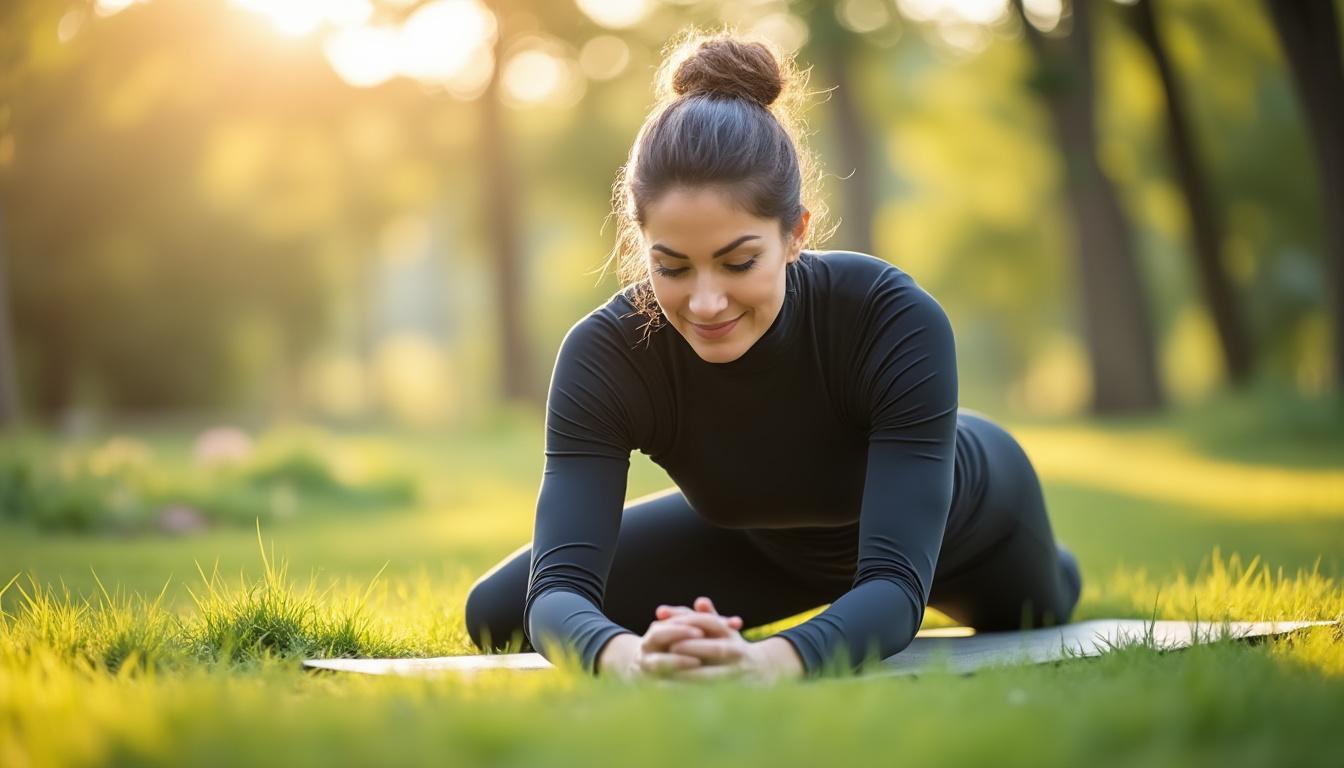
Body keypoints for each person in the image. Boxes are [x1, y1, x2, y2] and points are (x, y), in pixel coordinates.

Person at [463, 29, 1082, 683]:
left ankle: (1056, 563)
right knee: (495, 614)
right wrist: (627, 658)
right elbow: (557, 592)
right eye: (671, 266)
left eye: (738, 262)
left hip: (967, 528)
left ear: (796, 234)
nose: (705, 302)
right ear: (639, 244)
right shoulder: (606, 355)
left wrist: (764, 663)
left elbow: (896, 589)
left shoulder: (889, 316)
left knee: (1032, 614)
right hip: (762, 547)